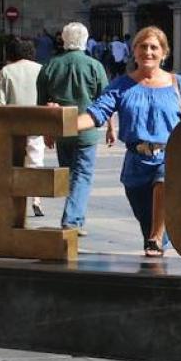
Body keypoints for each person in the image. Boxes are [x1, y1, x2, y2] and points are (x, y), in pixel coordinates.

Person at [77, 26, 181, 258]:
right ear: (134, 51)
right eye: (143, 47)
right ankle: (156, 251)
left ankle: (157, 238)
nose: (148, 52)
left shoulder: (178, 84)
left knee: (164, 183)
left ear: (164, 53)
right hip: (136, 165)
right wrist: (63, 122)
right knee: (149, 226)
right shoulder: (122, 85)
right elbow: (96, 113)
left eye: (154, 47)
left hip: (171, 157)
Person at [38, 22, 112, 235]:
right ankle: (72, 219)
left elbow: (42, 103)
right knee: (82, 175)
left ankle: (74, 216)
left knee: (70, 174)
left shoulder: (50, 65)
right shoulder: (94, 66)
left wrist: (47, 132)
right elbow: (106, 101)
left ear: (63, 39)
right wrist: (111, 127)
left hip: (62, 130)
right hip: (86, 131)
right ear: (85, 40)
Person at [0, 38, 46, 217]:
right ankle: (36, 198)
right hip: (36, 121)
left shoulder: (7, 71)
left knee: (13, 163)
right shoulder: (41, 69)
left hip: (13, 123)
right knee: (35, 161)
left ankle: (14, 199)